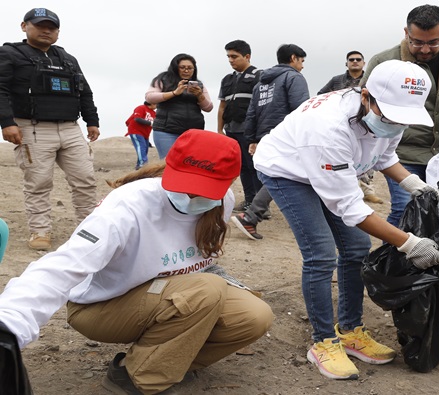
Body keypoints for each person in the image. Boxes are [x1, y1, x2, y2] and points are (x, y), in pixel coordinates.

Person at [0, 129, 274, 394]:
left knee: (254, 316)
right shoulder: (128, 205)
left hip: (172, 294)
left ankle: (164, 363)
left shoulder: (223, 201)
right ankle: (133, 378)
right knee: (206, 289)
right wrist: (9, 324)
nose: (191, 197)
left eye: (202, 190)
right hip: (102, 306)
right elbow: (64, 264)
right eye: (185, 185)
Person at [255, 60, 439, 380]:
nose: (396, 124)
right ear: (367, 96)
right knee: (320, 252)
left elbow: (384, 155)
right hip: (288, 172)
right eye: (391, 116)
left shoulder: (389, 113)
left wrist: (414, 184)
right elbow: (352, 208)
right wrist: (409, 243)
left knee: (356, 247)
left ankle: (350, 329)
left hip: (331, 170)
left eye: (403, 118)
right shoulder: (328, 128)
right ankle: (323, 342)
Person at [361, 4, 439, 227]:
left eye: (433, 42)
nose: (424, 50)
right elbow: (364, 104)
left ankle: (431, 260)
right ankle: (392, 260)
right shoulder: (384, 62)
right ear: (406, 33)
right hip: (403, 153)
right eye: (417, 42)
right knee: (406, 210)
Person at [0, 8, 100, 251]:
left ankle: (87, 227)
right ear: (24, 26)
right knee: (39, 182)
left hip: (69, 128)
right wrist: (7, 123)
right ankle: (40, 230)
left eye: (52, 27)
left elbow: (84, 91)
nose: (47, 30)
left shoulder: (67, 59)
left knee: (85, 179)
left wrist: (92, 120)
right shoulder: (10, 54)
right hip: (31, 128)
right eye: (40, 25)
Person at [231, 44, 310, 240]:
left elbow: (252, 113)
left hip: (266, 135)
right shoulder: (294, 77)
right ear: (293, 58)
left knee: (281, 172)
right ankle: (251, 216)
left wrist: (253, 138)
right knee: (285, 173)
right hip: (287, 135)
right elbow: (301, 110)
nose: (302, 66)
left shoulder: (261, 84)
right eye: (301, 61)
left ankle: (253, 214)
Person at [319, 51, 384, 205]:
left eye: (358, 59)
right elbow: (321, 95)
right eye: (351, 60)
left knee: (368, 159)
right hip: (342, 126)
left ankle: (368, 190)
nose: (355, 62)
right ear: (346, 63)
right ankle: (349, 192)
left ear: (364, 63)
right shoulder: (336, 80)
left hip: (367, 125)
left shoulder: (370, 80)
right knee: (344, 161)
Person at [217, 40, 261, 212]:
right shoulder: (227, 79)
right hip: (231, 130)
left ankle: (259, 206)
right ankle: (249, 200)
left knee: (253, 165)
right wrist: (220, 130)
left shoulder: (259, 76)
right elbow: (222, 107)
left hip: (250, 131)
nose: (231, 60)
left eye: (234, 56)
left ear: (247, 56)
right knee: (241, 166)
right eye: (228, 56)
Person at [146, 53, 214, 159]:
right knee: (168, 163)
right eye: (182, 67)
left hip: (193, 132)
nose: (186, 71)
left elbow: (208, 107)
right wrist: (174, 93)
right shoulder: (163, 79)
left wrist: (199, 95)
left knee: (190, 164)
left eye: (190, 68)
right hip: (166, 130)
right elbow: (150, 97)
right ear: (175, 67)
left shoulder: (199, 84)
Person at [125, 101, 157, 170]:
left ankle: (139, 165)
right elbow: (137, 118)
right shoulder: (141, 108)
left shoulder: (154, 113)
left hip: (145, 134)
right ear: (152, 103)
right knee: (141, 147)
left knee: (145, 149)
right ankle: (143, 165)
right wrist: (150, 123)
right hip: (135, 131)